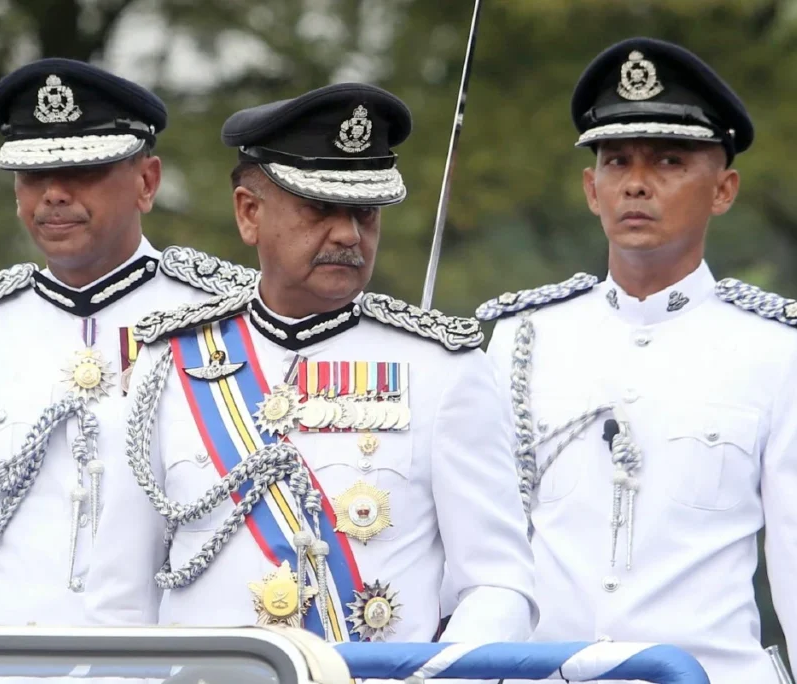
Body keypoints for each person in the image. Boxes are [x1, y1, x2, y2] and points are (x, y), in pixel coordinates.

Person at [83, 82, 538, 645]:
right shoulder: (168, 363)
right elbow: (120, 598)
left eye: (365, 212)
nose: (348, 234)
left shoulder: (442, 369)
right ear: (249, 214)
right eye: (319, 209)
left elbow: (498, 584)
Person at [476, 37, 797, 683]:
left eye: (668, 161)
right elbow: (482, 550)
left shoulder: (776, 349)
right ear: (591, 189)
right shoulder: (524, 335)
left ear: (723, 189)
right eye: (616, 161)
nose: (636, 183)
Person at [0, 57, 256, 626]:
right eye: (34, 175)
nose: (54, 195)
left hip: (168, 655)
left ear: (146, 182)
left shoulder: (221, 317)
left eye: (83, 171)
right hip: (5, 658)